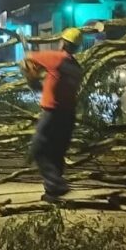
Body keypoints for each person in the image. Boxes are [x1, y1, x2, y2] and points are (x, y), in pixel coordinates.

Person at [22, 28, 84, 202]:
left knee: (39, 149)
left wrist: (32, 80)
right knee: (56, 153)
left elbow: (29, 57)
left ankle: (56, 183)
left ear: (62, 42)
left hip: (52, 114)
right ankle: (52, 194)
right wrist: (43, 83)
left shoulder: (56, 58)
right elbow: (59, 82)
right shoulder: (77, 68)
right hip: (69, 116)